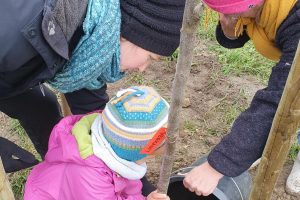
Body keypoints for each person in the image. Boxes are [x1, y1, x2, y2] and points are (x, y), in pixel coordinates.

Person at [0, 0, 185, 174]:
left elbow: (91, 105)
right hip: (11, 52)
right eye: (150, 57)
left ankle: (61, 167)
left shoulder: (89, 44)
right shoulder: (18, 35)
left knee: (41, 107)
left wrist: (133, 174)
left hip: (10, 71)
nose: (143, 69)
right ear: (129, 34)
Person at [183, 0, 300, 196]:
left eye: (235, 12)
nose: (233, 17)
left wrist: (217, 166)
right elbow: (238, 32)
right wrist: (229, 30)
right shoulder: (264, 9)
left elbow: (280, 102)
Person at [24, 86, 171, 200]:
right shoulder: (89, 178)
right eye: (149, 156)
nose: (145, 161)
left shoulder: (115, 146)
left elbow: (128, 191)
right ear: (132, 153)